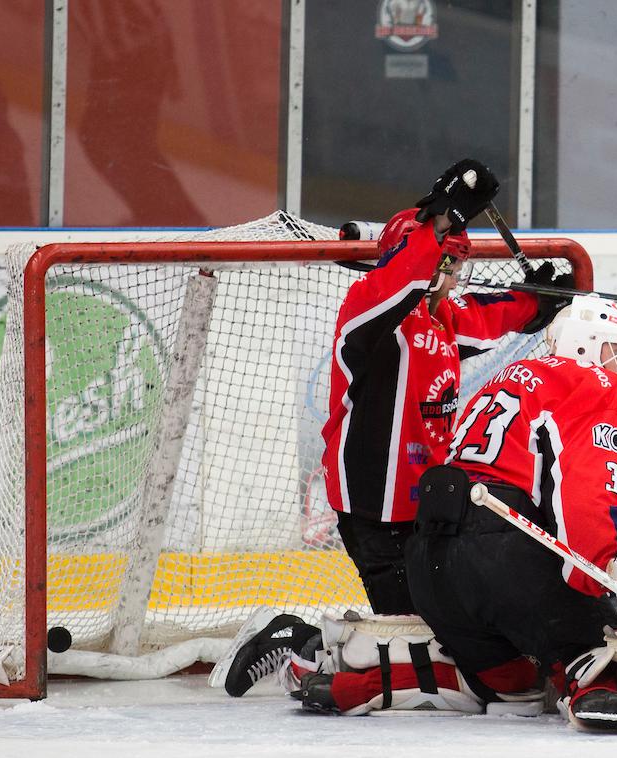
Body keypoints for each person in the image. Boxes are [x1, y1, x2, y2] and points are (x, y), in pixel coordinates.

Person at [215, 158, 573, 696]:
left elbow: (490, 315)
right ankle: (297, 640)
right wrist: (443, 218)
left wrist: (534, 303)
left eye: (458, 268)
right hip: (374, 507)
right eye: (447, 265)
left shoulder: (442, 318)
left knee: (446, 636)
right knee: (418, 647)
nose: (453, 280)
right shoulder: (370, 312)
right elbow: (399, 279)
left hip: (425, 509)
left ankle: (324, 645)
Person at [292, 296, 617, 733]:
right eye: (616, 351)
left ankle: (369, 681)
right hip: (500, 555)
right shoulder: (596, 384)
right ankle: (598, 685)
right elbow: (586, 495)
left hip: (431, 563)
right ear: (583, 346)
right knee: (596, 653)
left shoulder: (502, 381)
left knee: (515, 685)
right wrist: (609, 575)